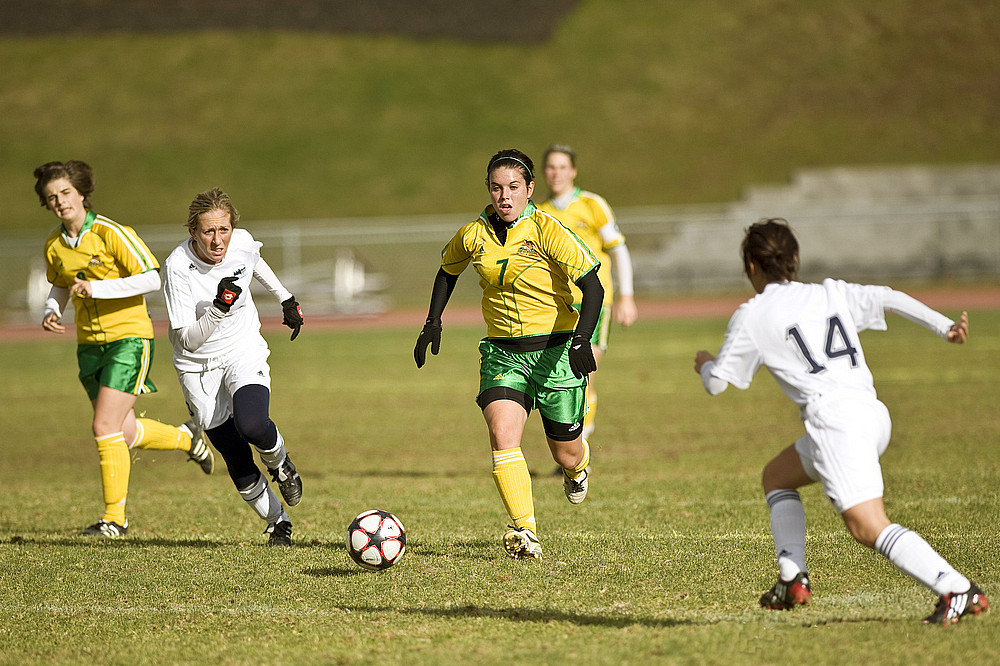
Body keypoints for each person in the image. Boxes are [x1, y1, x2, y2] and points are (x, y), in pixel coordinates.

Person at [693, 218, 988, 625]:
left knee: (868, 526)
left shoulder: (753, 313)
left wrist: (706, 363)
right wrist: (945, 327)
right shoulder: (829, 292)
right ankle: (792, 579)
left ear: (751, 268)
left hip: (835, 423)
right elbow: (890, 297)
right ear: (794, 259)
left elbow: (717, 386)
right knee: (777, 477)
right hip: (870, 413)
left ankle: (956, 588)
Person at [413, 149, 604, 559]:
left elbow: (594, 287)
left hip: (556, 353)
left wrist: (582, 339)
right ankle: (525, 530)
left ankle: (578, 467)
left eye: (514, 188)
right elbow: (448, 270)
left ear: (529, 190)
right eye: (497, 188)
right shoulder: (473, 234)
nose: (505, 196)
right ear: (489, 190)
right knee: (502, 435)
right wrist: (433, 321)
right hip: (503, 354)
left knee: (565, 450)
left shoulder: (547, 229)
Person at [35, 160, 214, 539]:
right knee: (123, 431)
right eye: (52, 197)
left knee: (103, 426)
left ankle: (114, 519)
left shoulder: (111, 232)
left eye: (65, 193)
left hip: (129, 339)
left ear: (81, 193)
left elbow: (153, 276)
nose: (60, 202)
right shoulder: (55, 244)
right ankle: (188, 438)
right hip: (89, 345)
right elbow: (60, 283)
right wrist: (53, 309)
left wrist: (97, 289)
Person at [162, 187, 305, 546]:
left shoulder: (240, 241)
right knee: (234, 453)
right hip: (196, 365)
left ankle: (281, 464)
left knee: (253, 423)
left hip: (242, 348)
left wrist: (285, 298)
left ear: (232, 227)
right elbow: (188, 340)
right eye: (207, 231)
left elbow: (253, 261)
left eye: (222, 229)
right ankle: (278, 522)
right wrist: (219, 308)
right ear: (192, 232)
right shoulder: (177, 267)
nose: (217, 240)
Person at [538, 144, 637, 445]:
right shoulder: (540, 212)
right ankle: (569, 445)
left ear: (573, 171)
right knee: (559, 379)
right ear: (544, 172)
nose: (556, 173)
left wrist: (627, 296)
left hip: (593, 302)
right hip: (558, 305)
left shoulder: (593, 204)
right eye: (551, 167)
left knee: (584, 374)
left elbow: (618, 250)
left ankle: (581, 447)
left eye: (562, 167)